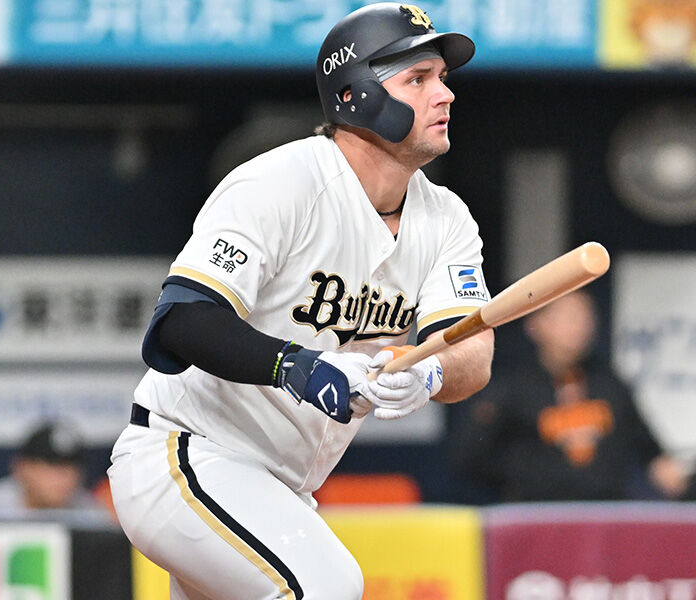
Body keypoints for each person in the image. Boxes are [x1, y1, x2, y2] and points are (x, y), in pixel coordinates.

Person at [107, 4, 494, 600]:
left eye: (442, 78)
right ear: (356, 95)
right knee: (326, 585)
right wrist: (301, 367)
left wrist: (431, 373)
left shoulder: (446, 218)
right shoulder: (282, 182)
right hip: (187, 453)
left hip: (278, 487)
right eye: (418, 79)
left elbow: (472, 350)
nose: (444, 94)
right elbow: (182, 321)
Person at [448, 289, 692, 503]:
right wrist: (521, 481)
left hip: (603, 516)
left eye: (585, 317)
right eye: (567, 317)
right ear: (536, 325)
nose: (578, 327)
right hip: (537, 516)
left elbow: (648, 449)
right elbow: (469, 455)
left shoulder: (609, 382)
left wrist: (667, 471)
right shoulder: (513, 388)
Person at [0, 421, 103, 513]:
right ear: (22, 467)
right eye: (52, 465)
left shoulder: (91, 513)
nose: (62, 477)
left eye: (69, 467)